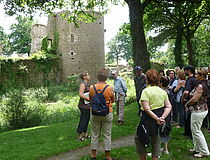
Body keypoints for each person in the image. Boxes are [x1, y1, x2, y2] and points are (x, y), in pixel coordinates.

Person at [134, 69, 172, 160]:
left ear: (146, 79)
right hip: (159, 120)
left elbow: (146, 108)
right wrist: (162, 118)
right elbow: (168, 106)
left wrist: (156, 118)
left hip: (147, 120)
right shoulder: (162, 92)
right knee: (156, 141)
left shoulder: (145, 91)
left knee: (140, 138)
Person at [89, 68, 115, 160]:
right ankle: (107, 155)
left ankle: (93, 155)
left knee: (95, 134)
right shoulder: (109, 88)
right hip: (107, 112)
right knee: (107, 134)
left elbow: (91, 98)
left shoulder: (92, 87)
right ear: (106, 77)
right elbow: (113, 100)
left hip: (95, 112)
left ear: (97, 77)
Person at [185, 68, 210, 158]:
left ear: (202, 76)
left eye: (197, 75)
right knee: (194, 130)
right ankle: (196, 148)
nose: (195, 76)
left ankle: (204, 151)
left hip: (199, 111)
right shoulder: (204, 84)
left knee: (196, 131)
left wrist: (186, 104)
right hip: (200, 110)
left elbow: (195, 99)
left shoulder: (200, 86)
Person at [182, 65, 197, 138]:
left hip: (188, 101)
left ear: (189, 70)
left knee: (188, 118)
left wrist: (183, 99)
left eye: (185, 70)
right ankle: (189, 132)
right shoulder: (195, 79)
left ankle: (188, 133)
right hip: (193, 100)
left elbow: (186, 92)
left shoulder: (190, 80)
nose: (184, 72)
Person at [77, 72, 91, 141]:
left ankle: (85, 134)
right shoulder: (83, 84)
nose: (89, 76)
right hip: (83, 105)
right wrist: (89, 99)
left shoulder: (87, 84)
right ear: (84, 77)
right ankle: (79, 135)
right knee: (83, 119)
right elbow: (81, 94)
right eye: (88, 75)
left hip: (88, 105)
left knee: (87, 119)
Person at [159, 76, 171, 155]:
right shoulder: (169, 91)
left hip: (161, 113)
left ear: (161, 83)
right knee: (165, 130)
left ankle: (159, 149)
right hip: (168, 113)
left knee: (159, 130)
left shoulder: (160, 92)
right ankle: (165, 149)